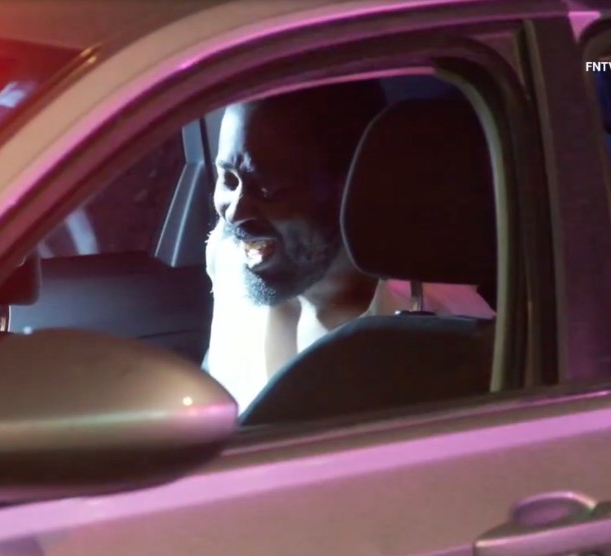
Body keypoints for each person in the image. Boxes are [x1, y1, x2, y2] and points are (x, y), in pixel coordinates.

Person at [204, 82, 495, 411]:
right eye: (228, 179)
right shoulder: (225, 259)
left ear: (349, 185)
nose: (234, 211)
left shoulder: (449, 331)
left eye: (268, 189)